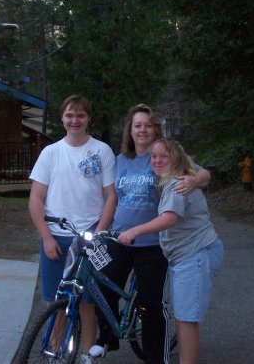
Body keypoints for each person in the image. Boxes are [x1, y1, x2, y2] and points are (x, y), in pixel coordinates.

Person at [90, 104, 211, 364]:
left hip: (152, 244)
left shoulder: (162, 155)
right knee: (100, 281)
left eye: (147, 125)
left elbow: (204, 174)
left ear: (155, 129)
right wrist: (100, 233)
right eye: (137, 125)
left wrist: (193, 180)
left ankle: (156, 358)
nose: (142, 130)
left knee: (150, 305)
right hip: (120, 238)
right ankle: (108, 337)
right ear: (130, 131)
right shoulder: (120, 161)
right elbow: (112, 200)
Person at [118, 139, 224, 364]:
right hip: (185, 255)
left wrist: (134, 231)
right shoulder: (171, 181)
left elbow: (169, 218)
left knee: (186, 319)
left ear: (175, 159)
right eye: (153, 156)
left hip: (194, 253)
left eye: (163, 156)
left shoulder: (176, 183)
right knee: (184, 317)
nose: (157, 161)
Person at [29, 94, 117, 364]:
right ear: (62, 119)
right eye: (69, 115)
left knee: (88, 302)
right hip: (57, 236)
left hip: (89, 237)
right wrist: (46, 237)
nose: (75, 120)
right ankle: (54, 353)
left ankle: (86, 354)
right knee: (56, 302)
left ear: (88, 118)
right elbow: (35, 198)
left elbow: (110, 196)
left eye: (80, 115)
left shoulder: (101, 150)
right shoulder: (51, 153)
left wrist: (99, 235)